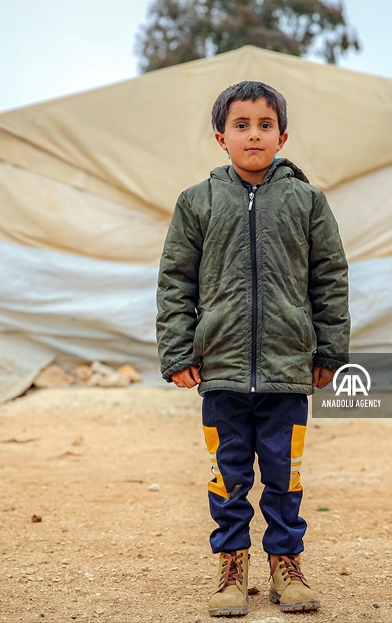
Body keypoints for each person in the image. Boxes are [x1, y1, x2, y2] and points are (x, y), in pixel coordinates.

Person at [156, 80, 350, 617]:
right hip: (219, 369)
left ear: (282, 135)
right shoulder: (197, 202)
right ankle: (232, 568)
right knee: (229, 474)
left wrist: (329, 350)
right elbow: (176, 282)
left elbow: (329, 279)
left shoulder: (306, 201)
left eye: (265, 125)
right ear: (221, 136)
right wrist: (178, 353)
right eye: (241, 125)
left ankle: (286, 567)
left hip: (288, 368)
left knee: (285, 477)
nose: (254, 135)